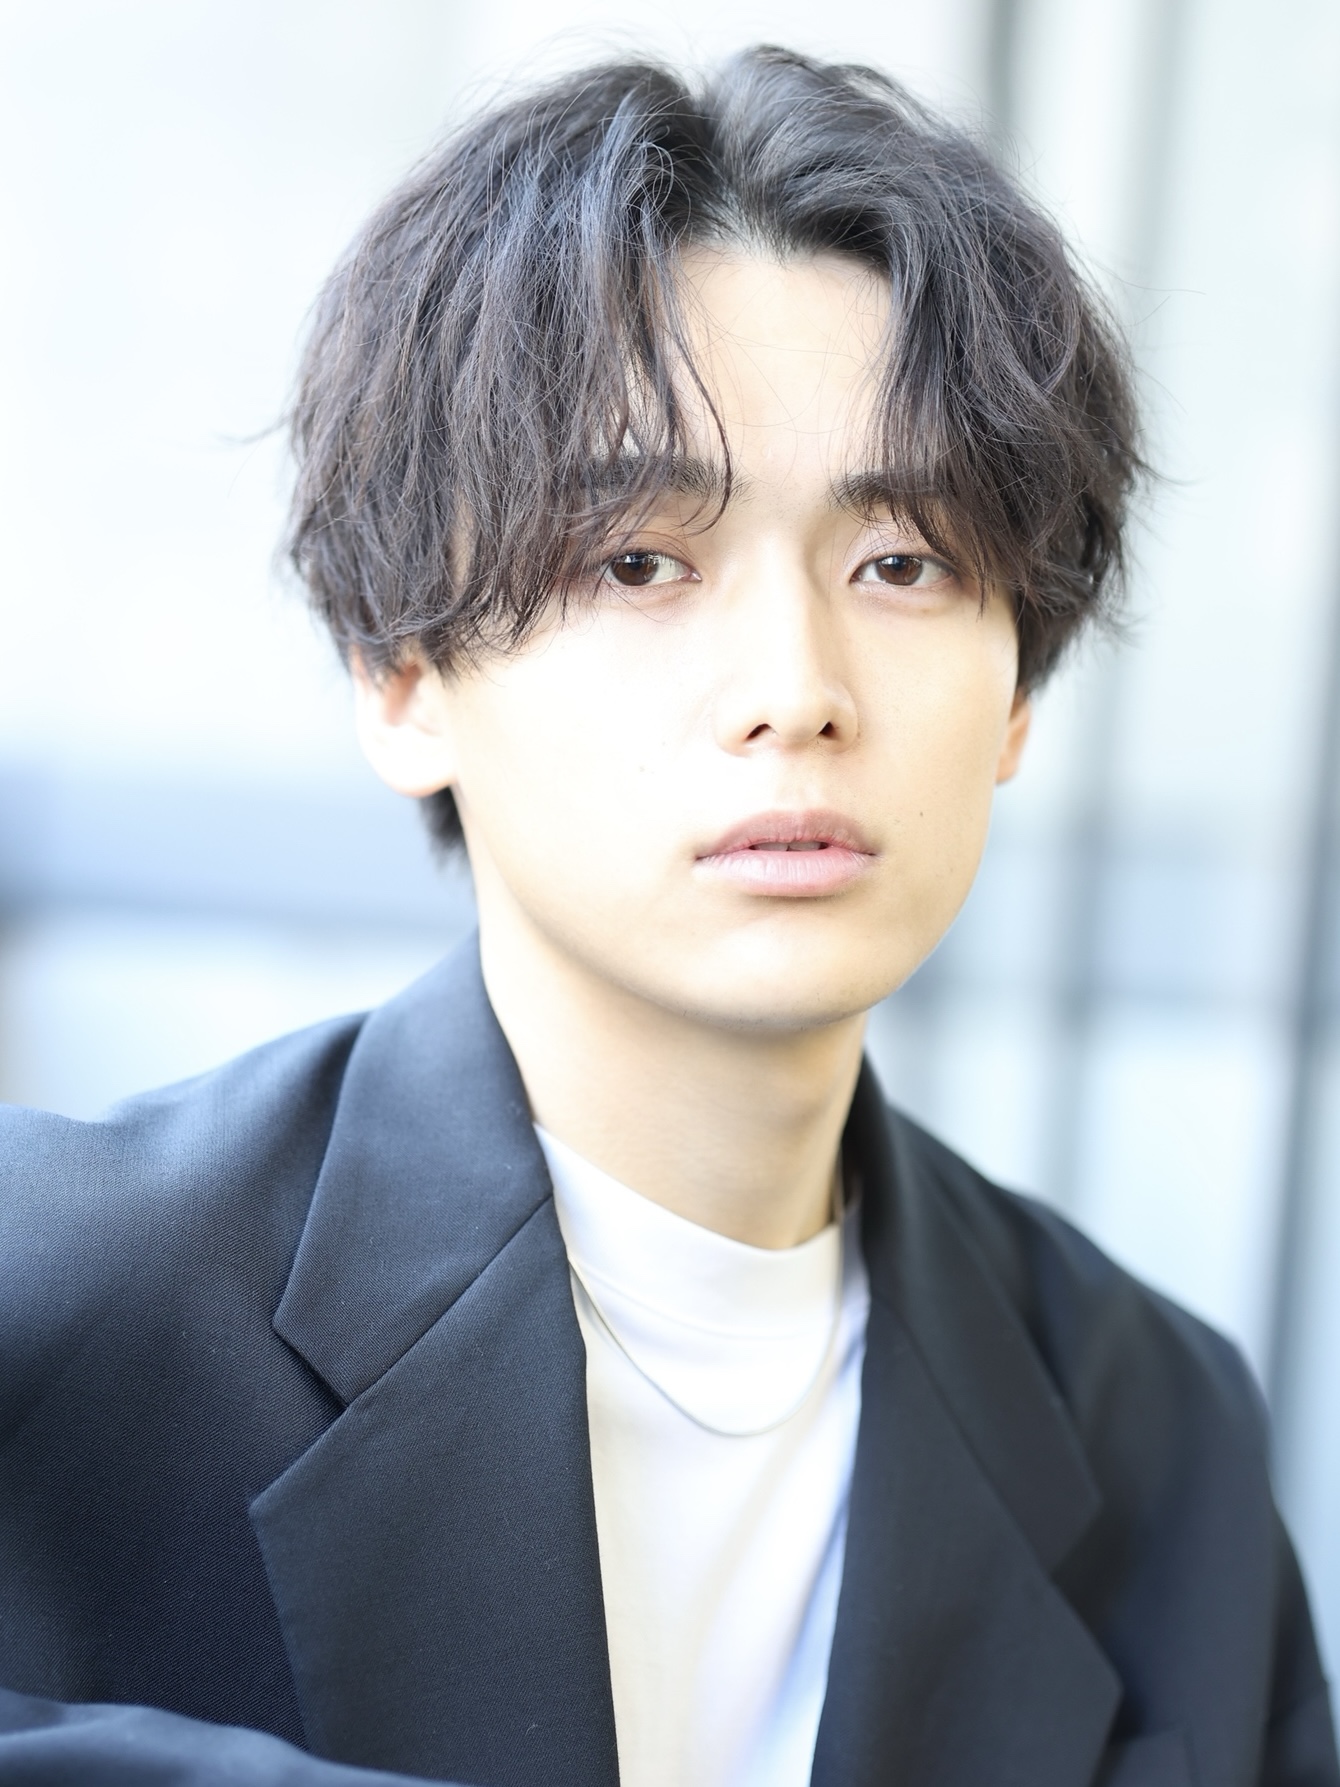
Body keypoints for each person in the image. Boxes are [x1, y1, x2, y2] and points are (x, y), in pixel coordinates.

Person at [0, 44, 1334, 1787]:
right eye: (640, 562)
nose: (796, 690)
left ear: (1018, 692)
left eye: (903, 563)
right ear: (404, 679)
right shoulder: (63, 1299)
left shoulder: (1159, 1437)